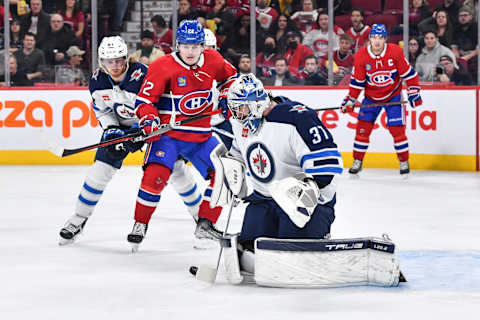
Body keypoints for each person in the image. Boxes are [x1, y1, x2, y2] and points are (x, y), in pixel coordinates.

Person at [58, 36, 204, 246]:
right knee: (98, 172)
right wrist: (110, 129)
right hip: (123, 129)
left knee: (177, 171)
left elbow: (160, 102)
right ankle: (79, 218)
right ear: (101, 62)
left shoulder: (144, 75)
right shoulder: (97, 80)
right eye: (110, 61)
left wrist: (145, 127)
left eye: (119, 60)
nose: (115, 65)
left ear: (126, 58)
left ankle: (203, 220)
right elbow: (101, 109)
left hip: (153, 126)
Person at [207, 74, 347, 285]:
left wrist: (310, 192)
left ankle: (318, 235)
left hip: (302, 202)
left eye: (240, 108)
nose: (236, 115)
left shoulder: (297, 118)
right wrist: (231, 172)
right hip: (264, 199)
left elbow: (327, 164)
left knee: (292, 251)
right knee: (250, 247)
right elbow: (238, 152)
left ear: (256, 104)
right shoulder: (240, 122)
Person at [128, 20, 238, 251]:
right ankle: (140, 223)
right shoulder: (162, 66)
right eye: (185, 46)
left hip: (201, 136)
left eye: (195, 46)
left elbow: (231, 78)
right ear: (178, 45)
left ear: (202, 46)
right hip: (168, 136)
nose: (190, 51)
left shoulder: (213, 60)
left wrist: (227, 95)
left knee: (226, 174)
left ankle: (206, 224)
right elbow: (145, 101)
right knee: (155, 177)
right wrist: (148, 119)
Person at [340, 24, 422, 177]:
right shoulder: (361, 56)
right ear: (369, 38)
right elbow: (357, 82)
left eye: (380, 38)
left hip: (393, 97)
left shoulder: (395, 51)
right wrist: (350, 99)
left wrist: (414, 92)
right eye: (374, 37)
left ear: (385, 39)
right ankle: (357, 161)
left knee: (397, 130)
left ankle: (403, 161)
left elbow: (410, 75)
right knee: (362, 130)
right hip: (371, 98)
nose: (377, 41)